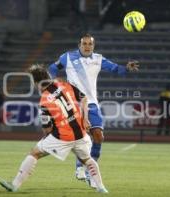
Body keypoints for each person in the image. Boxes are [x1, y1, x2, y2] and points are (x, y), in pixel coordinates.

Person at [0, 64, 108, 193]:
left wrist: (47, 139)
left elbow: (47, 130)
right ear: (48, 76)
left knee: (35, 153)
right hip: (81, 133)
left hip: (63, 137)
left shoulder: (44, 101)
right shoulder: (64, 84)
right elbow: (83, 98)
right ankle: (101, 188)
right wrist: (84, 119)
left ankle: (14, 185)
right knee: (87, 159)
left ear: (36, 82)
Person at [48, 33, 139, 186]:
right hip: (74, 104)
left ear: (93, 46)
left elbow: (116, 69)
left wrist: (127, 68)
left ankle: (86, 169)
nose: (87, 46)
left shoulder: (98, 59)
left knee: (98, 137)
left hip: (92, 104)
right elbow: (52, 68)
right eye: (84, 44)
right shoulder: (67, 57)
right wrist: (54, 82)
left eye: (90, 44)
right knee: (82, 137)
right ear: (79, 45)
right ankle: (81, 169)